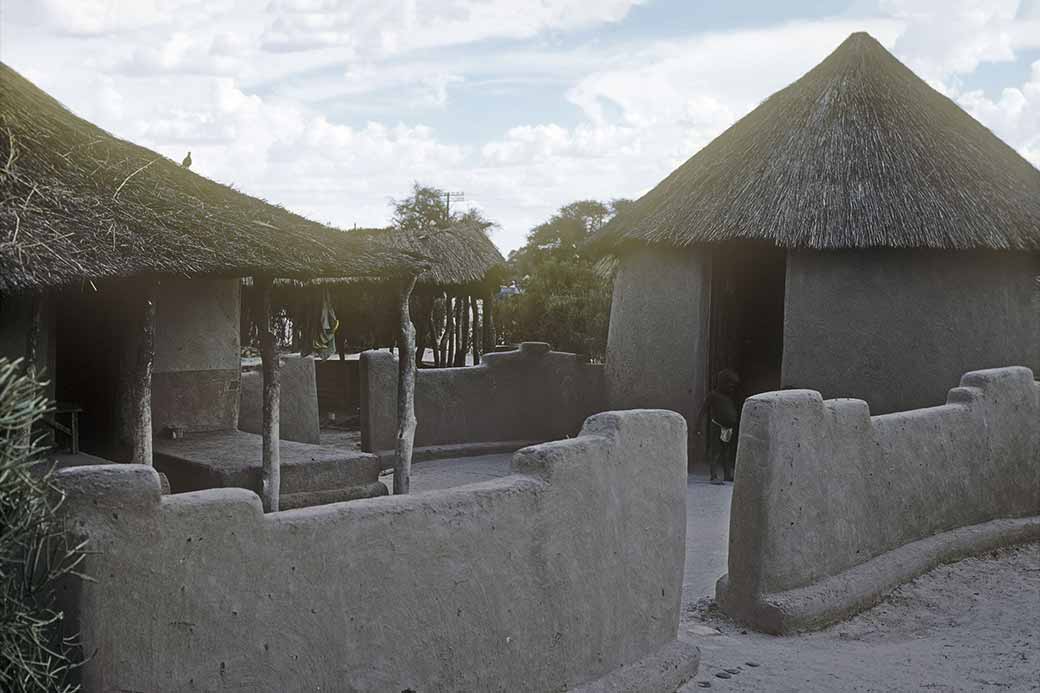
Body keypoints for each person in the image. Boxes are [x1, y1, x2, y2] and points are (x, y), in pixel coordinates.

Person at [699, 369, 741, 484]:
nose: (731, 387)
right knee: (716, 452)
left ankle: (727, 474)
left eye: (733, 385)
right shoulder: (713, 395)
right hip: (717, 427)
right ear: (721, 382)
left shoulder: (729, 397)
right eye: (729, 384)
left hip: (728, 429)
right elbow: (703, 411)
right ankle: (714, 476)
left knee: (726, 452)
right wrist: (698, 427)